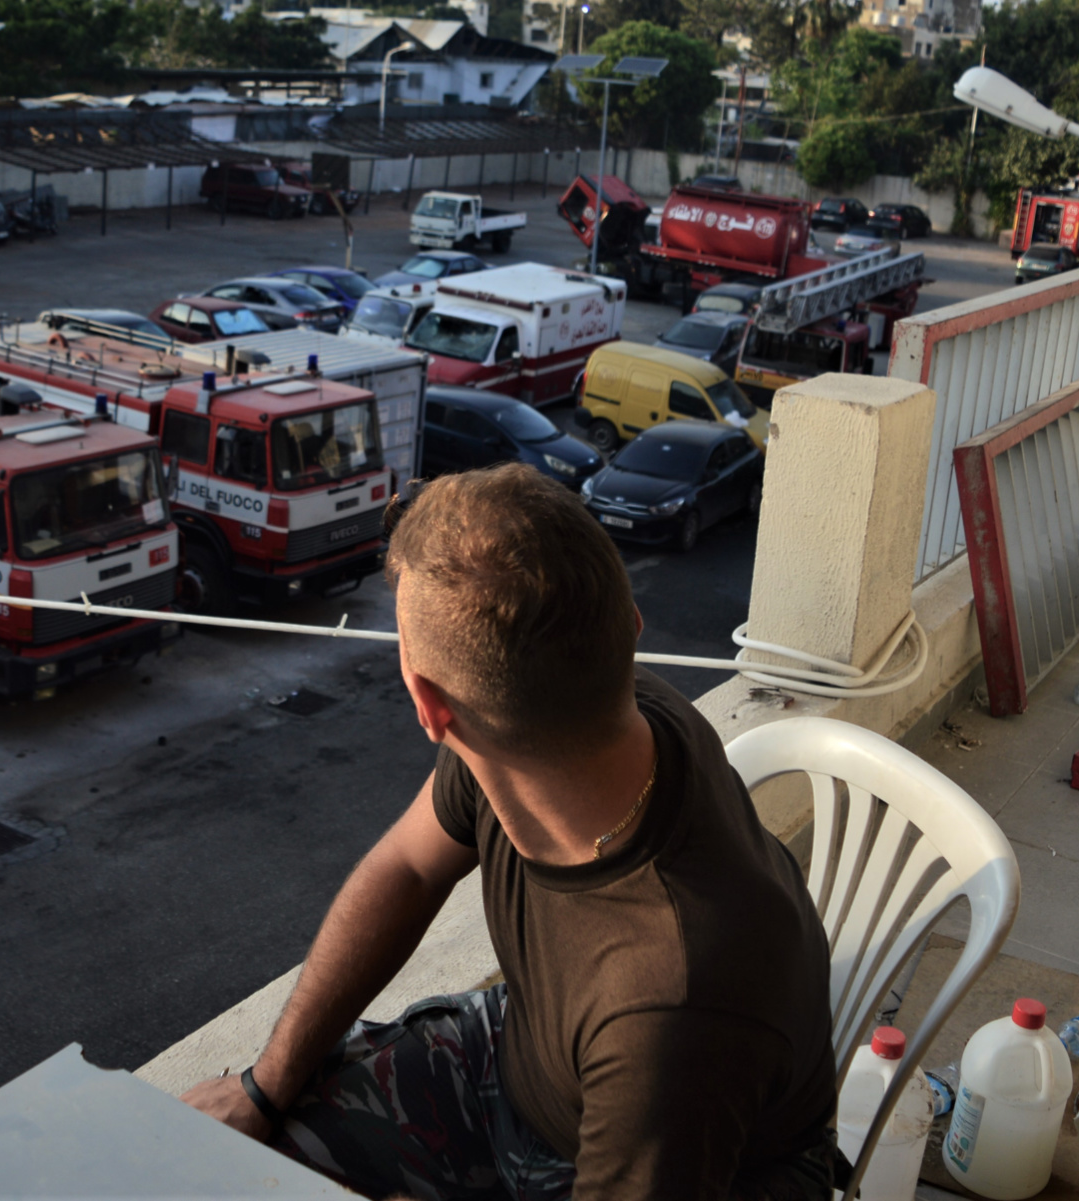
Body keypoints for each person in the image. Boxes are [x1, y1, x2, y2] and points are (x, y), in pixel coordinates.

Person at [184, 464, 838, 1200]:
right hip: (530, 1069)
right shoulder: (570, 708)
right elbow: (407, 866)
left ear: (429, 706)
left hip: (693, 1159)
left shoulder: (669, 1000)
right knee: (230, 1167)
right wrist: (265, 1088)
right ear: (629, 628)